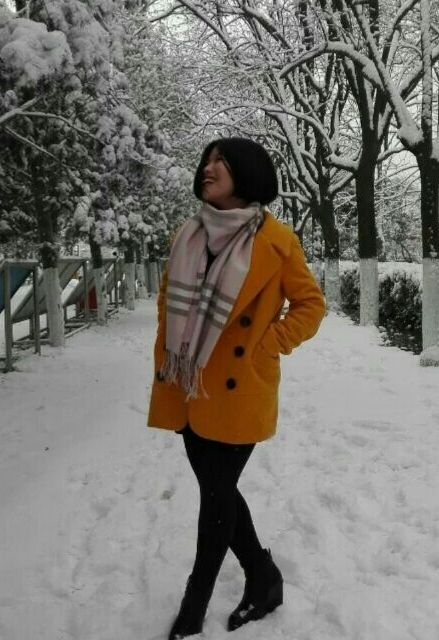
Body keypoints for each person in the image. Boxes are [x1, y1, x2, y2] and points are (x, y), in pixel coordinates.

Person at [147, 137, 326, 639]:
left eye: (220, 163)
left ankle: (194, 606)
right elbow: (167, 295)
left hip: (239, 386)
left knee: (215, 495)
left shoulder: (277, 240)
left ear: (246, 173)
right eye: (205, 161)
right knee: (218, 491)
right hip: (187, 380)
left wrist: (268, 343)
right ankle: (263, 576)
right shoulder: (188, 234)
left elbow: (311, 305)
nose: (207, 169)